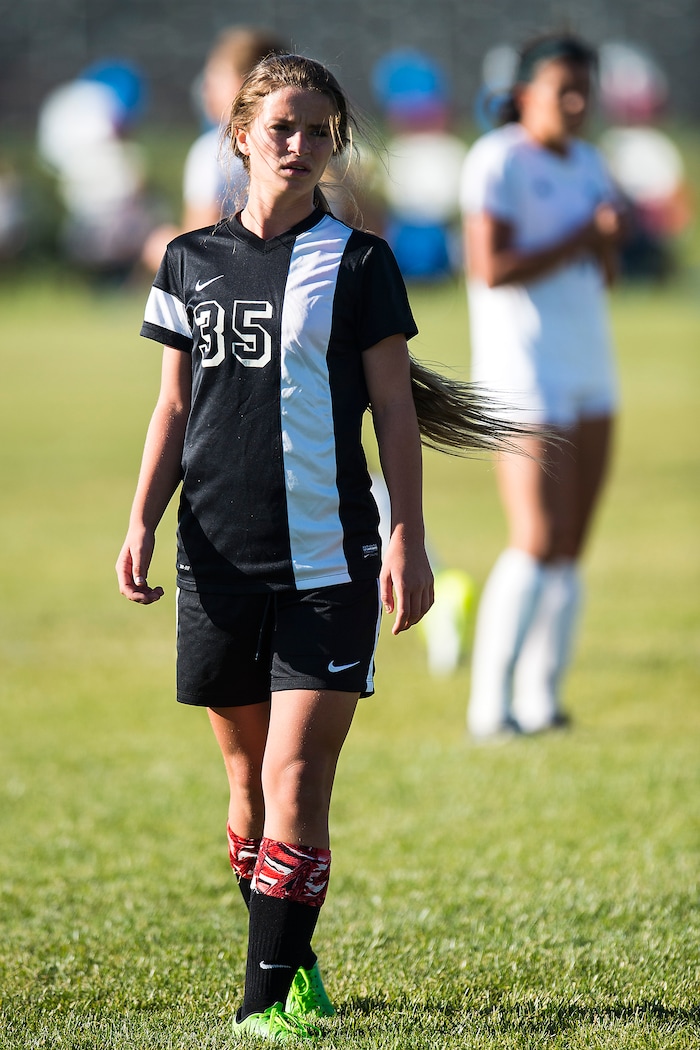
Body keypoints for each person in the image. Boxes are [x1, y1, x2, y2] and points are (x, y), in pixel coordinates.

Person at [117, 53, 521, 1042]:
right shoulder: (188, 262)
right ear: (242, 134)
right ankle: (290, 955)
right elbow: (173, 408)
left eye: (319, 131)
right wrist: (140, 518)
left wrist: (406, 538)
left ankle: (261, 1005)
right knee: (249, 793)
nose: (299, 146)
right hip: (217, 558)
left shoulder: (361, 263)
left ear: (338, 142)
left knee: (298, 778)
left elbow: (394, 410)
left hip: (330, 558)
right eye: (282, 127)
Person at [460, 35, 624, 739]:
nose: (579, 104)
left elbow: (603, 274)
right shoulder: (497, 159)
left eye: (587, 89)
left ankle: (541, 699)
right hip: (523, 372)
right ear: (524, 94)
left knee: (572, 544)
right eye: (565, 90)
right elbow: (489, 266)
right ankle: (489, 707)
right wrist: (583, 235)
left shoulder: (590, 162)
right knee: (535, 534)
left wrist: (608, 242)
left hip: (591, 366)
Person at [141, 26, 286, 272]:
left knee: (159, 243)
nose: (205, 88)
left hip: (239, 277)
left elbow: (198, 245)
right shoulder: (316, 143)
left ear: (245, 83)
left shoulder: (214, 150)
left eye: (216, 76)